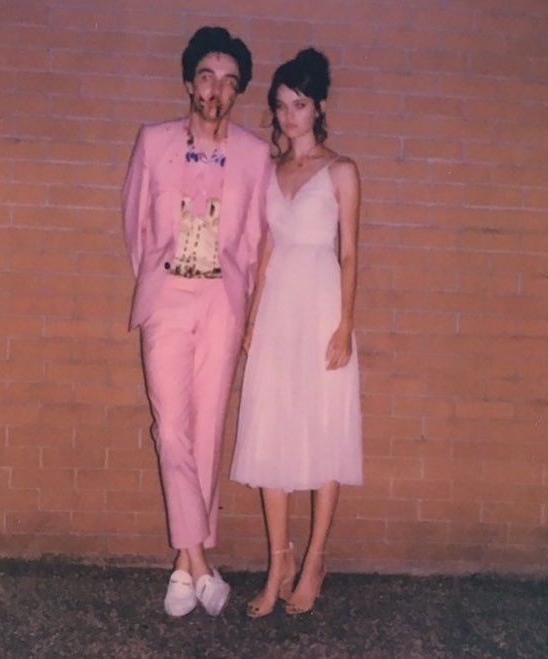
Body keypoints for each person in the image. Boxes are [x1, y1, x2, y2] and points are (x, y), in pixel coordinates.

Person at [122, 26, 270, 617]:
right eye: (206, 76)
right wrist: (160, 286)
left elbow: (256, 241)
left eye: (229, 81)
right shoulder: (154, 142)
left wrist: (244, 306)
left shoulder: (255, 155)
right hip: (168, 297)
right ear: (189, 81)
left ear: (237, 93)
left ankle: (185, 570)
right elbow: (135, 225)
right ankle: (202, 562)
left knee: (207, 430)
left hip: (222, 303)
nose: (216, 89)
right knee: (172, 429)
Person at [230, 48, 363, 617]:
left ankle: (313, 563)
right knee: (271, 430)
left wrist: (345, 326)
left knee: (324, 431)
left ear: (319, 107)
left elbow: (352, 253)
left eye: (299, 105)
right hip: (278, 311)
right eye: (281, 106)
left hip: (323, 311)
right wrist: (252, 319)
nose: (289, 116)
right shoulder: (270, 169)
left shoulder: (342, 171)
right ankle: (277, 561)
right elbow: (262, 251)